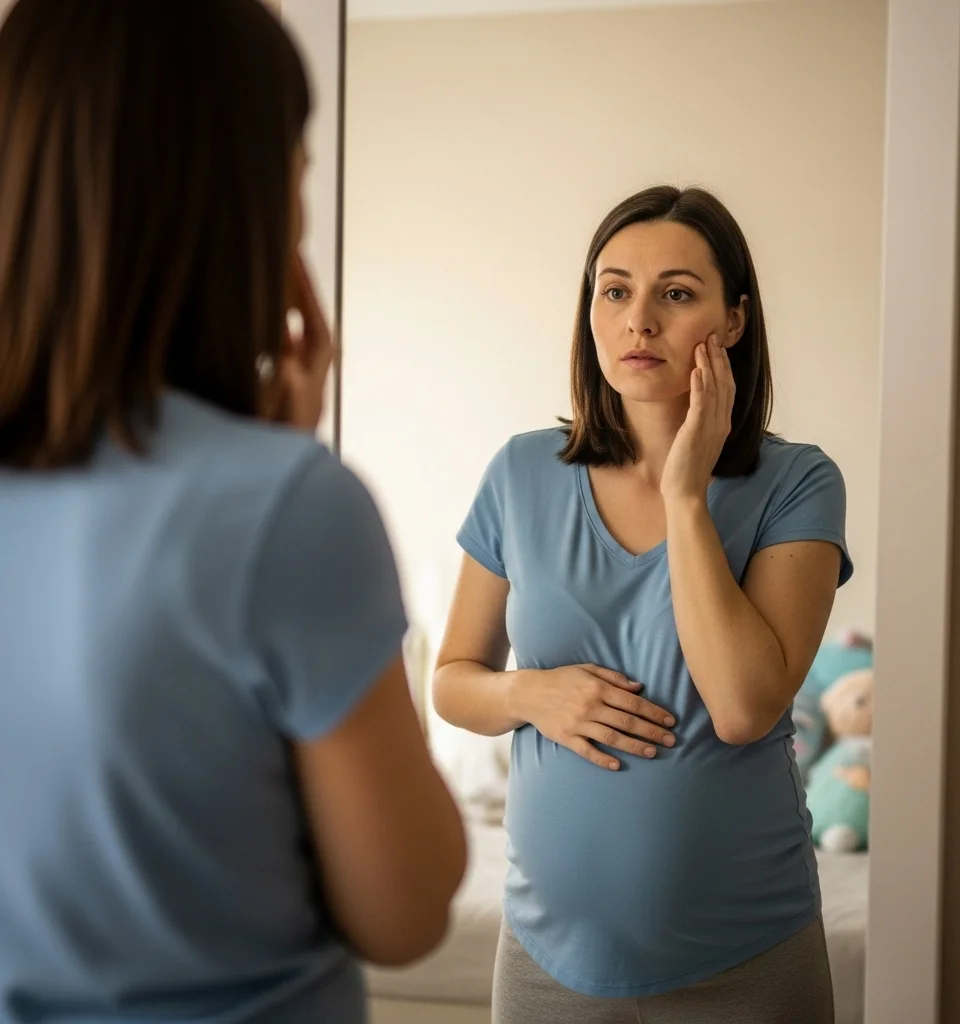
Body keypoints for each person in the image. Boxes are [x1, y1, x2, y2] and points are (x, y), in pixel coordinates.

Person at [0, 2, 466, 1022]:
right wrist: (285, 482)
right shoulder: (292, 510)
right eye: (296, 172)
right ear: (235, 205)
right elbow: (407, 908)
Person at [434, 185, 851, 1024]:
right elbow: (452, 680)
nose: (639, 321)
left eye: (678, 293)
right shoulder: (519, 473)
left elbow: (742, 706)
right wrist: (529, 694)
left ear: (733, 320)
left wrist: (687, 494)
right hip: (546, 961)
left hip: (746, 960)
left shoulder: (798, 482)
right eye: (615, 290)